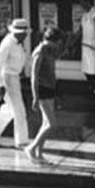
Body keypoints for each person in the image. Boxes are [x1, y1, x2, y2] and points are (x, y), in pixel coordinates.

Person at [0, 18, 31, 148]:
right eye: (23, 33)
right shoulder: (8, 43)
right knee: (19, 110)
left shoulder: (19, 43)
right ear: (17, 32)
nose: (25, 36)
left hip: (15, 77)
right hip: (7, 78)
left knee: (10, 108)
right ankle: (22, 141)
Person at [25, 27, 63, 163]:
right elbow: (33, 76)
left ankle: (39, 154)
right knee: (51, 124)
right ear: (51, 41)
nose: (58, 45)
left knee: (45, 123)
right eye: (57, 42)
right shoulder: (40, 51)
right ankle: (31, 148)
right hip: (42, 90)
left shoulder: (49, 50)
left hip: (50, 88)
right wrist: (35, 97)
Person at [79, 0, 95, 97]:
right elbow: (81, 30)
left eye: (83, 2)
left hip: (93, 45)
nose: (81, 5)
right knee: (86, 68)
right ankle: (91, 87)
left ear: (88, 1)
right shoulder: (84, 15)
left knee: (93, 69)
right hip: (85, 45)